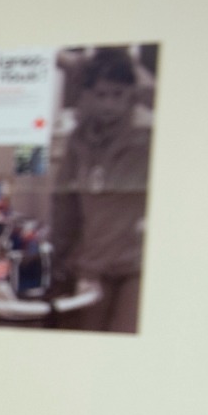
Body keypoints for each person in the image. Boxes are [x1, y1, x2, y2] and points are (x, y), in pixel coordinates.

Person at [50, 47, 152, 333]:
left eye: (117, 95)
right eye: (101, 95)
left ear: (131, 93)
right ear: (88, 95)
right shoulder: (79, 139)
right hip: (93, 263)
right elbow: (64, 205)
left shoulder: (147, 136)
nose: (109, 104)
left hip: (136, 265)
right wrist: (57, 256)